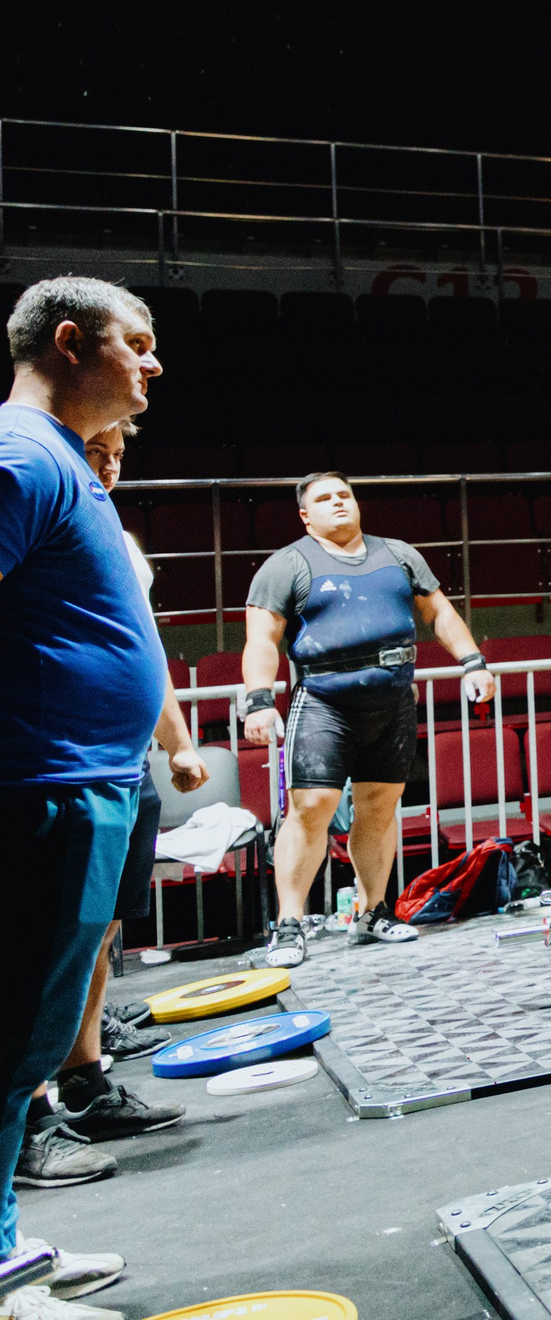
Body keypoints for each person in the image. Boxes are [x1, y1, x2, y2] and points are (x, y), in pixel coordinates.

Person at [1, 276, 169, 1320]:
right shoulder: (21, 455)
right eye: (137, 344)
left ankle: (8, 1252)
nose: (155, 365)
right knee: (4, 1041)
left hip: (78, 786)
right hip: (38, 791)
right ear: (70, 343)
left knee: (19, 1048)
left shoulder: (60, 461)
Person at [16, 424, 203, 1196]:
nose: (114, 455)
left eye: (123, 449)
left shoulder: (114, 535)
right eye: (100, 445)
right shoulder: (31, 475)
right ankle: (30, 1123)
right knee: (32, 959)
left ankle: (87, 1080)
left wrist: (179, 740)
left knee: (98, 934)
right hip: (52, 766)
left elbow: (141, 646)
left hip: (123, 764)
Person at [244, 472, 496, 968]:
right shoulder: (286, 565)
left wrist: (473, 662)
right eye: (324, 498)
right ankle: (290, 924)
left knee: (380, 808)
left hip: (393, 700)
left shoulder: (399, 554)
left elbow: (439, 613)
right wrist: (257, 699)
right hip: (323, 702)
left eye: (344, 494)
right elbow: (261, 638)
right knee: (311, 806)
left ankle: (374, 911)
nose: (338, 503)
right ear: (304, 514)